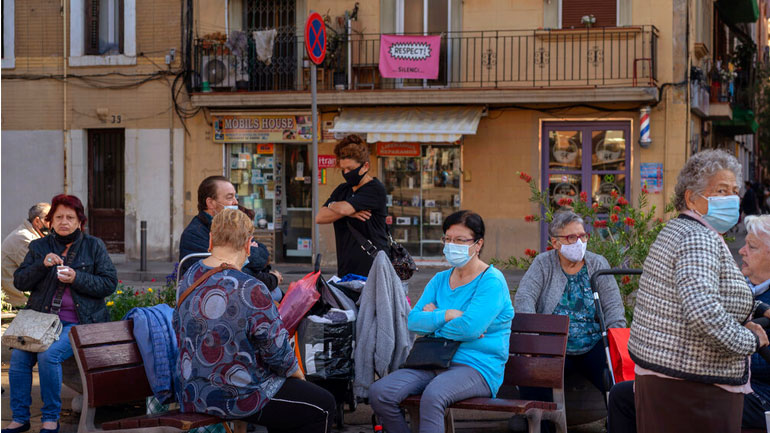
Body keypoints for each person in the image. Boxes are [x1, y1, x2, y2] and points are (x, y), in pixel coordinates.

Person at [628, 149, 770, 433]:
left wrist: (759, 309)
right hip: (691, 389)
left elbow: (708, 289)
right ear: (692, 198)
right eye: (720, 190)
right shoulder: (698, 238)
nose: (731, 198)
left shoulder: (682, 229)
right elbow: (703, 312)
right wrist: (750, 339)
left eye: (734, 191)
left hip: (669, 380)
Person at [174, 209, 336, 432]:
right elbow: (277, 354)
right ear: (248, 245)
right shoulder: (250, 288)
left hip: (193, 392)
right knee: (323, 405)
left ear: (211, 240)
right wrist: (298, 376)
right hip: (237, 397)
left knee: (292, 402)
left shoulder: (188, 277)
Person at [606, 213, 770, 433]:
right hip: (712, 376)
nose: (741, 250)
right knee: (623, 395)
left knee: (671, 400)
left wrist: (747, 342)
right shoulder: (741, 286)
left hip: (755, 392)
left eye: (751, 246)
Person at [369, 211, 514, 433]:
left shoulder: (491, 281)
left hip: (477, 366)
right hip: (434, 361)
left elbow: (469, 328)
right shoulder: (440, 280)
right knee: (381, 392)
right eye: (447, 239)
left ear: (478, 244)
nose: (451, 245)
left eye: (460, 240)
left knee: (434, 395)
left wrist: (435, 320)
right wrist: (447, 315)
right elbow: (414, 322)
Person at [3, 195, 117, 433]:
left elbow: (109, 284)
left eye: (70, 217)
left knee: (49, 355)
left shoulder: (93, 246)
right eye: (59, 217)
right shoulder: (38, 247)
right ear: (50, 221)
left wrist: (77, 277)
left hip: (79, 321)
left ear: (79, 221)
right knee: (20, 360)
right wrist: (41, 265)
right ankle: (20, 418)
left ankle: (50, 418)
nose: (64, 222)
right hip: (41, 321)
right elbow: (21, 281)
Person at [515, 209, 625, 425]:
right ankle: (540, 427)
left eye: (583, 236)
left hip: (593, 342)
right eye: (571, 237)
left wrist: (616, 342)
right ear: (555, 243)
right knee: (534, 376)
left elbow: (613, 307)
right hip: (553, 345)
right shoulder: (543, 263)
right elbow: (525, 296)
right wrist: (532, 339)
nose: (579, 242)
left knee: (616, 378)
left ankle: (617, 426)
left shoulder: (597, 263)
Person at [178, 175, 283, 301]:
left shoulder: (233, 224)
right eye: (229, 197)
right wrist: (272, 278)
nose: (235, 202)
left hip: (241, 290)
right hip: (217, 298)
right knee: (277, 296)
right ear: (211, 203)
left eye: (235, 196)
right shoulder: (194, 234)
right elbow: (235, 275)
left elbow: (262, 254)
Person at [316, 135, 388, 278]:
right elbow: (320, 217)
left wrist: (339, 208)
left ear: (365, 166)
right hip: (346, 270)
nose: (346, 173)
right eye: (343, 169)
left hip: (373, 270)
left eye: (350, 168)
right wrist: (344, 209)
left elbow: (344, 209)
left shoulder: (375, 189)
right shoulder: (343, 190)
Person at [1, 203, 51, 307]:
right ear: (37, 221)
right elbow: (39, 273)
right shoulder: (24, 238)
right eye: (49, 220)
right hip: (17, 301)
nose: (53, 223)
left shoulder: (29, 234)